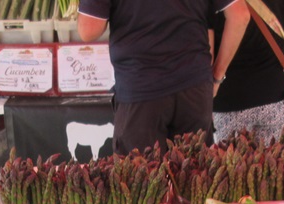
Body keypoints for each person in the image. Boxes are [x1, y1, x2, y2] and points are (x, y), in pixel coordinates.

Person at [77, 0, 250, 156]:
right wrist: (217, 74)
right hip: (194, 88)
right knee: (193, 178)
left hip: (141, 91)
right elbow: (239, 15)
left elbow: (88, 30)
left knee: (142, 184)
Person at [210, 0, 284, 144]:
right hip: (274, 98)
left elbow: (208, 53)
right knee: (274, 163)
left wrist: (215, 79)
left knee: (233, 164)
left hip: (228, 100)